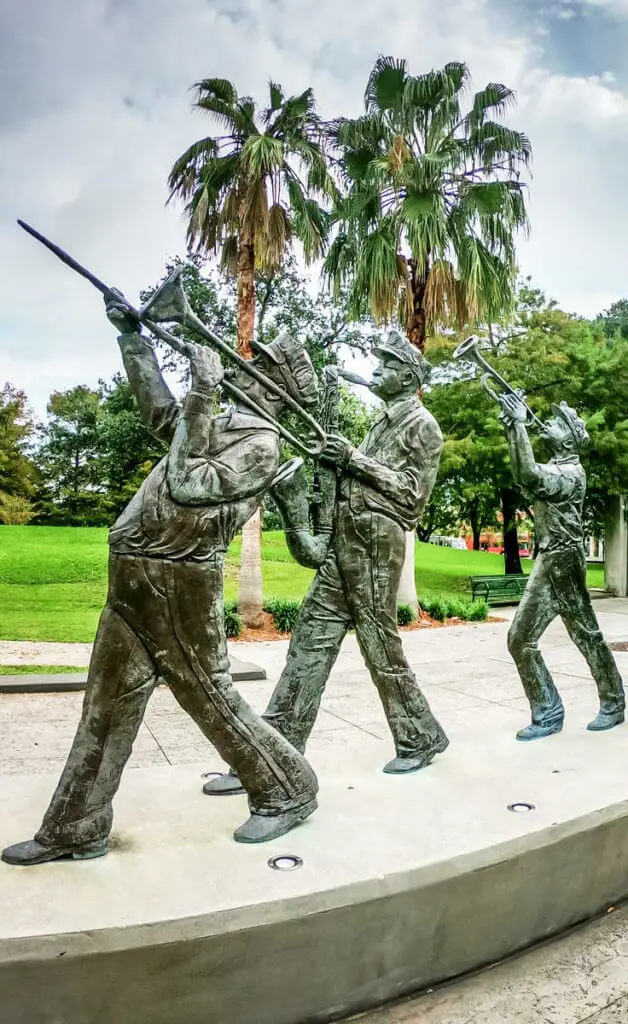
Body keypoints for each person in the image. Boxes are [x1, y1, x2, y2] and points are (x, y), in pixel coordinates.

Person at [2, 291, 320, 866]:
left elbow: (190, 483)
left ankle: (288, 787)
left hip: (178, 582)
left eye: (262, 366)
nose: (246, 364)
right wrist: (135, 342)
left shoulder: (262, 444)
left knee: (210, 697)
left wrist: (201, 394)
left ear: (277, 387)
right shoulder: (223, 421)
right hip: (133, 573)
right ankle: (77, 826)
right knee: (106, 704)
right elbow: (162, 419)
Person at [205, 329, 449, 798]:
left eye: (383, 366)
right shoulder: (383, 421)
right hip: (348, 542)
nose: (374, 372)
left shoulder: (424, 426)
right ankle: (273, 755)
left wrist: (354, 460)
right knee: (307, 648)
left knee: (380, 646)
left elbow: (412, 497)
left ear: (407, 375)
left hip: (377, 544)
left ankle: (419, 735)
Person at [498, 392, 624, 740]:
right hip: (550, 559)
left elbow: (529, 475)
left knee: (580, 636)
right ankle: (552, 712)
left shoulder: (570, 474)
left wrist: (519, 428)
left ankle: (608, 703)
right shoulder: (559, 468)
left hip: (563, 562)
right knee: (524, 639)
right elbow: (526, 473)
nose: (546, 423)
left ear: (568, 437)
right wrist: (514, 430)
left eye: (554, 422)